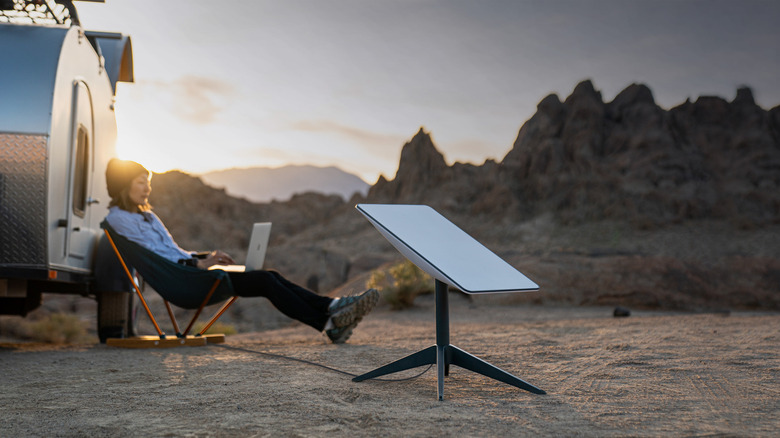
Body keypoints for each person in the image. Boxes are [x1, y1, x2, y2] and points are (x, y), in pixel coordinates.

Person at [103, 158, 378, 343]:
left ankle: (331, 315)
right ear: (124, 185)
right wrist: (198, 266)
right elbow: (155, 257)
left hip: (189, 273)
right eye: (141, 181)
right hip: (183, 284)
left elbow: (173, 250)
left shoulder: (148, 215)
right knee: (265, 280)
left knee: (267, 275)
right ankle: (331, 318)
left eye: (148, 180)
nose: (148, 187)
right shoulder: (119, 218)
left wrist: (203, 258)